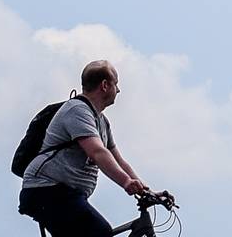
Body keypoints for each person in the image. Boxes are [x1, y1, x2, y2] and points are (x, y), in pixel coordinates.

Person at [16, 59, 150, 237]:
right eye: (116, 84)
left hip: (65, 194)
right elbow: (97, 152)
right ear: (104, 85)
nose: (118, 90)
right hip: (45, 189)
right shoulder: (77, 110)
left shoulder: (102, 121)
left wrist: (146, 191)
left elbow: (118, 160)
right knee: (99, 231)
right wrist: (126, 183)